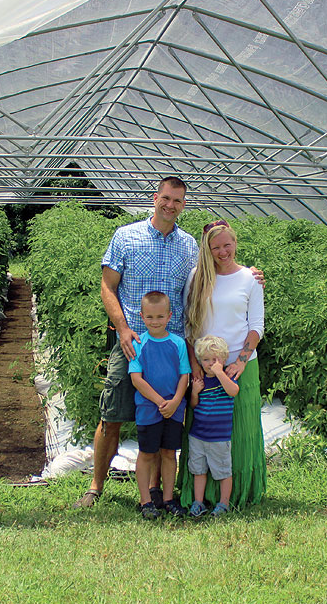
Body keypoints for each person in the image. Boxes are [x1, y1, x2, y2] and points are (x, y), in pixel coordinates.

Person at [72, 176, 198, 509]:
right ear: (155, 198)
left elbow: (202, 288)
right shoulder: (126, 237)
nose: (170, 206)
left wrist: (248, 275)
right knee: (112, 413)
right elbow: (107, 286)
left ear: (184, 205)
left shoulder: (189, 245)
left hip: (173, 348)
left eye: (178, 201)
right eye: (166, 198)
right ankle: (96, 486)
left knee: (166, 416)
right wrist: (123, 330)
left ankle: (156, 493)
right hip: (132, 344)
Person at [180, 219, 266, 508]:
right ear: (207, 249)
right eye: (215, 247)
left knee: (239, 430)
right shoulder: (196, 277)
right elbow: (189, 326)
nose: (222, 251)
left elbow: (256, 326)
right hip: (204, 369)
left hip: (239, 368)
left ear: (235, 243)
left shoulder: (250, 279)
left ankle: (236, 495)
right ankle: (200, 498)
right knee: (203, 429)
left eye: (227, 244)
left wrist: (241, 361)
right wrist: (195, 366)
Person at [127, 292, 190, 518]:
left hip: (173, 410)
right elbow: (137, 378)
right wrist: (159, 401)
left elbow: (185, 375)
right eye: (150, 317)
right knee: (146, 453)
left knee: (169, 453)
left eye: (160, 316)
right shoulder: (138, 344)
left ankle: (168, 499)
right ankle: (146, 502)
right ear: (142, 317)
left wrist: (174, 402)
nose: (156, 322)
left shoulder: (178, 343)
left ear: (170, 316)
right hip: (148, 410)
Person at [187, 334, 239, 518]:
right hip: (198, 436)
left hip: (219, 438)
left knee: (223, 471)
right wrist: (195, 392)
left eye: (215, 359)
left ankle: (223, 503)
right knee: (199, 470)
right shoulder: (201, 381)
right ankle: (198, 502)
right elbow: (194, 406)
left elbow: (233, 391)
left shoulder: (226, 378)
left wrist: (219, 373)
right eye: (206, 360)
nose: (210, 364)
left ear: (224, 359)